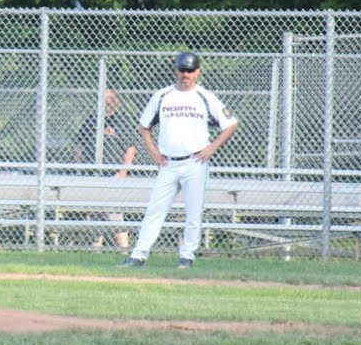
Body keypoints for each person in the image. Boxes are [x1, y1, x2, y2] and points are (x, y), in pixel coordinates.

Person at [122, 52, 238, 270]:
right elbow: (144, 125)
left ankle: (187, 256)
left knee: (193, 212)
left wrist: (211, 147)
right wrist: (153, 152)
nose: (186, 74)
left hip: (194, 162)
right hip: (168, 163)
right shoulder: (163, 96)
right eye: (182, 70)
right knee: (155, 210)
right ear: (175, 70)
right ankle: (138, 255)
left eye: (190, 70)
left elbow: (231, 123)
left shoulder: (204, 96)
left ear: (197, 72)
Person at [74, 88, 137, 251]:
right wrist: (80, 170)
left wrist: (122, 172)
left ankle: (123, 250)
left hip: (112, 175)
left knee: (114, 215)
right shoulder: (91, 120)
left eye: (111, 99)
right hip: (92, 176)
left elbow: (131, 149)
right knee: (96, 215)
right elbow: (79, 146)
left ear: (116, 101)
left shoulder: (122, 121)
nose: (107, 102)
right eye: (104, 98)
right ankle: (96, 250)